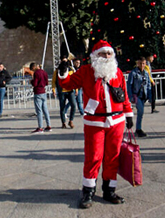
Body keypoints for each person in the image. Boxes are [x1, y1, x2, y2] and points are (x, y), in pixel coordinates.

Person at [56, 40, 134, 209]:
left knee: (112, 156)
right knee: (93, 157)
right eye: (103, 54)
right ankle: (88, 191)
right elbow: (67, 84)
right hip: (95, 122)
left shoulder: (117, 73)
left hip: (117, 121)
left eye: (109, 53)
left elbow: (124, 95)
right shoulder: (85, 71)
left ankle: (109, 190)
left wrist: (128, 114)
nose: (106, 57)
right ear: (95, 56)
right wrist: (62, 73)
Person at [126, 56, 151, 137]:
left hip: (143, 94)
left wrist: (149, 95)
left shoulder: (146, 73)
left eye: (143, 63)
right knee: (140, 111)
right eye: (140, 63)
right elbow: (129, 85)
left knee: (141, 112)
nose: (142, 65)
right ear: (137, 63)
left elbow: (148, 85)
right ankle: (138, 129)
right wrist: (130, 96)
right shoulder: (133, 73)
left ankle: (138, 128)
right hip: (136, 95)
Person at [52, 58, 77, 129]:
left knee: (74, 105)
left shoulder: (71, 70)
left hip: (70, 91)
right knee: (62, 108)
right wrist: (53, 90)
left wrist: (76, 89)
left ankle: (71, 120)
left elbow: (74, 80)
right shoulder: (57, 71)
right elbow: (53, 81)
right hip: (61, 91)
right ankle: (63, 122)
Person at [30, 62, 52, 134]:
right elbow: (47, 83)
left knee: (39, 110)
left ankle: (40, 127)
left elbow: (35, 84)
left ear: (34, 67)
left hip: (38, 92)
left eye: (32, 69)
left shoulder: (36, 73)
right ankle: (48, 125)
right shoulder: (44, 72)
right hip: (43, 92)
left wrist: (31, 81)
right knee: (45, 109)